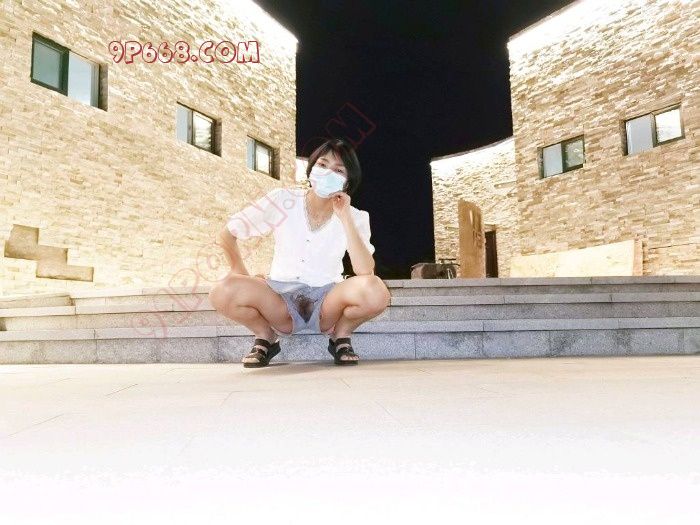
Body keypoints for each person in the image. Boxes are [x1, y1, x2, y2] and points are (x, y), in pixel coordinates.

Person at [209, 138, 391, 367]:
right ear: (311, 168)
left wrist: (345, 217)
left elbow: (365, 271)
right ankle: (265, 336)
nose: (328, 173)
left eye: (338, 170)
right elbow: (227, 233)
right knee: (222, 290)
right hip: (279, 298)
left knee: (375, 290)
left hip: (327, 302)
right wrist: (241, 274)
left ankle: (341, 335)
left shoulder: (356, 216)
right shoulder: (283, 200)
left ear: (347, 181)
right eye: (322, 165)